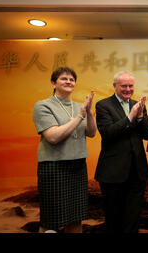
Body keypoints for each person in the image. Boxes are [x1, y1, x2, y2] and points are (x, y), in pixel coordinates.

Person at [33, 67, 97, 233]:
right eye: (64, 79)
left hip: (78, 166)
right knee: (51, 221)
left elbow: (91, 133)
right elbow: (53, 137)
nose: (69, 82)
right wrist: (80, 116)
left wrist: (89, 112)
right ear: (53, 83)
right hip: (54, 167)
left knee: (76, 217)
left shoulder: (80, 106)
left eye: (72, 79)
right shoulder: (43, 105)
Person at [95, 71, 148, 233]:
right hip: (113, 172)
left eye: (131, 86)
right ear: (115, 86)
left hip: (137, 171)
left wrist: (140, 118)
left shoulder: (138, 104)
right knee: (114, 218)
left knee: (133, 218)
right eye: (123, 86)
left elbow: (147, 135)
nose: (128, 89)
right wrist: (130, 116)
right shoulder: (103, 105)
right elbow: (108, 133)